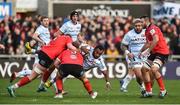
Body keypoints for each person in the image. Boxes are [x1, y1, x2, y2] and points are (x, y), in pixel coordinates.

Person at [7, 35, 77, 97]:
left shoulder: (58, 38)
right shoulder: (68, 38)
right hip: (48, 57)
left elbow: (50, 47)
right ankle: (13, 87)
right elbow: (70, 46)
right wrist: (78, 51)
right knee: (33, 76)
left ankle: (41, 86)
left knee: (49, 70)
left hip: (44, 53)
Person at [45, 44, 111, 92]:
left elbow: (105, 72)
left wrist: (107, 82)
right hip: (75, 63)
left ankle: (52, 83)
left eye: (100, 54)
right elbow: (81, 46)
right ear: (94, 49)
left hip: (81, 70)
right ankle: (55, 86)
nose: (97, 55)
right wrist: (86, 53)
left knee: (65, 74)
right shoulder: (89, 48)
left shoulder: (100, 61)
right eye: (97, 52)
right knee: (64, 73)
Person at [140, 16, 169, 98]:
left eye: (141, 22)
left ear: (146, 21)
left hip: (162, 52)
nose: (141, 24)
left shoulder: (153, 28)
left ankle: (163, 90)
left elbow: (156, 39)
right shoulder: (146, 31)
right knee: (143, 69)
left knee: (153, 69)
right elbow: (148, 43)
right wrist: (140, 51)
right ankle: (149, 92)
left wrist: (148, 51)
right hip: (154, 53)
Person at [120, 19, 146, 94]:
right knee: (138, 74)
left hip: (144, 56)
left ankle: (123, 83)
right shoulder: (129, 34)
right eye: (136, 26)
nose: (138, 27)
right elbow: (123, 45)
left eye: (139, 26)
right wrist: (128, 53)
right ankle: (143, 89)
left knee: (135, 73)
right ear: (133, 26)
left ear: (142, 26)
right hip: (133, 56)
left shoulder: (146, 32)